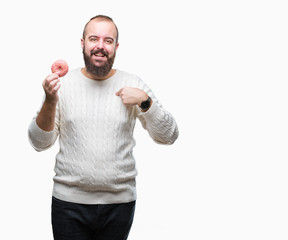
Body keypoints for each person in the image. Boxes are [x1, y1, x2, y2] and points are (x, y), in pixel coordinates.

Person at [28, 15, 178, 240]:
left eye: (108, 40)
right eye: (93, 39)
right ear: (82, 44)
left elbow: (169, 136)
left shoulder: (134, 84)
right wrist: (50, 100)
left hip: (119, 204)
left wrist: (145, 102)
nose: (100, 46)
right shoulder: (63, 84)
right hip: (68, 204)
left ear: (116, 47)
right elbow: (39, 143)